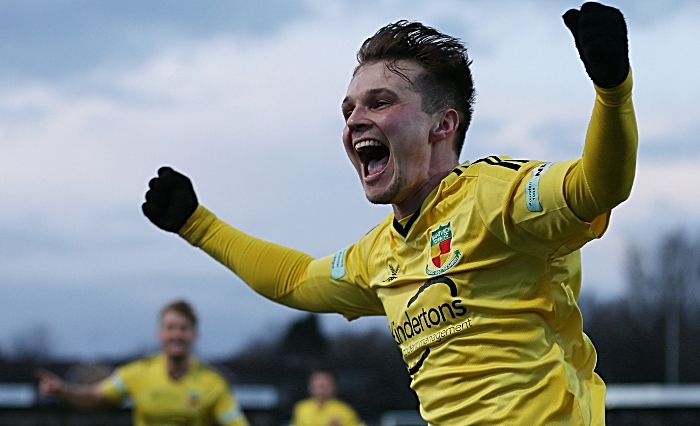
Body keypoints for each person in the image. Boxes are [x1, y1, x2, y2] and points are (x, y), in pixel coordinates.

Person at [142, 2, 636, 424]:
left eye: (380, 102)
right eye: (349, 109)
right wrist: (196, 224)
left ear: (442, 125)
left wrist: (612, 91)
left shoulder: (497, 197)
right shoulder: (381, 252)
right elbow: (293, 279)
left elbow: (598, 186)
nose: (356, 120)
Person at [36, 300, 249, 426]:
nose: (177, 335)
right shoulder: (138, 373)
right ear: (159, 334)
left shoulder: (213, 383)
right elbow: (94, 396)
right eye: (170, 328)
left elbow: (236, 421)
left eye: (183, 328)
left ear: (195, 335)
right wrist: (62, 391)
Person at [290, 370, 365, 426]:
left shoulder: (344, 411)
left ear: (333, 387)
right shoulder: (301, 408)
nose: (320, 390)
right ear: (310, 387)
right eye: (317, 386)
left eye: (324, 386)